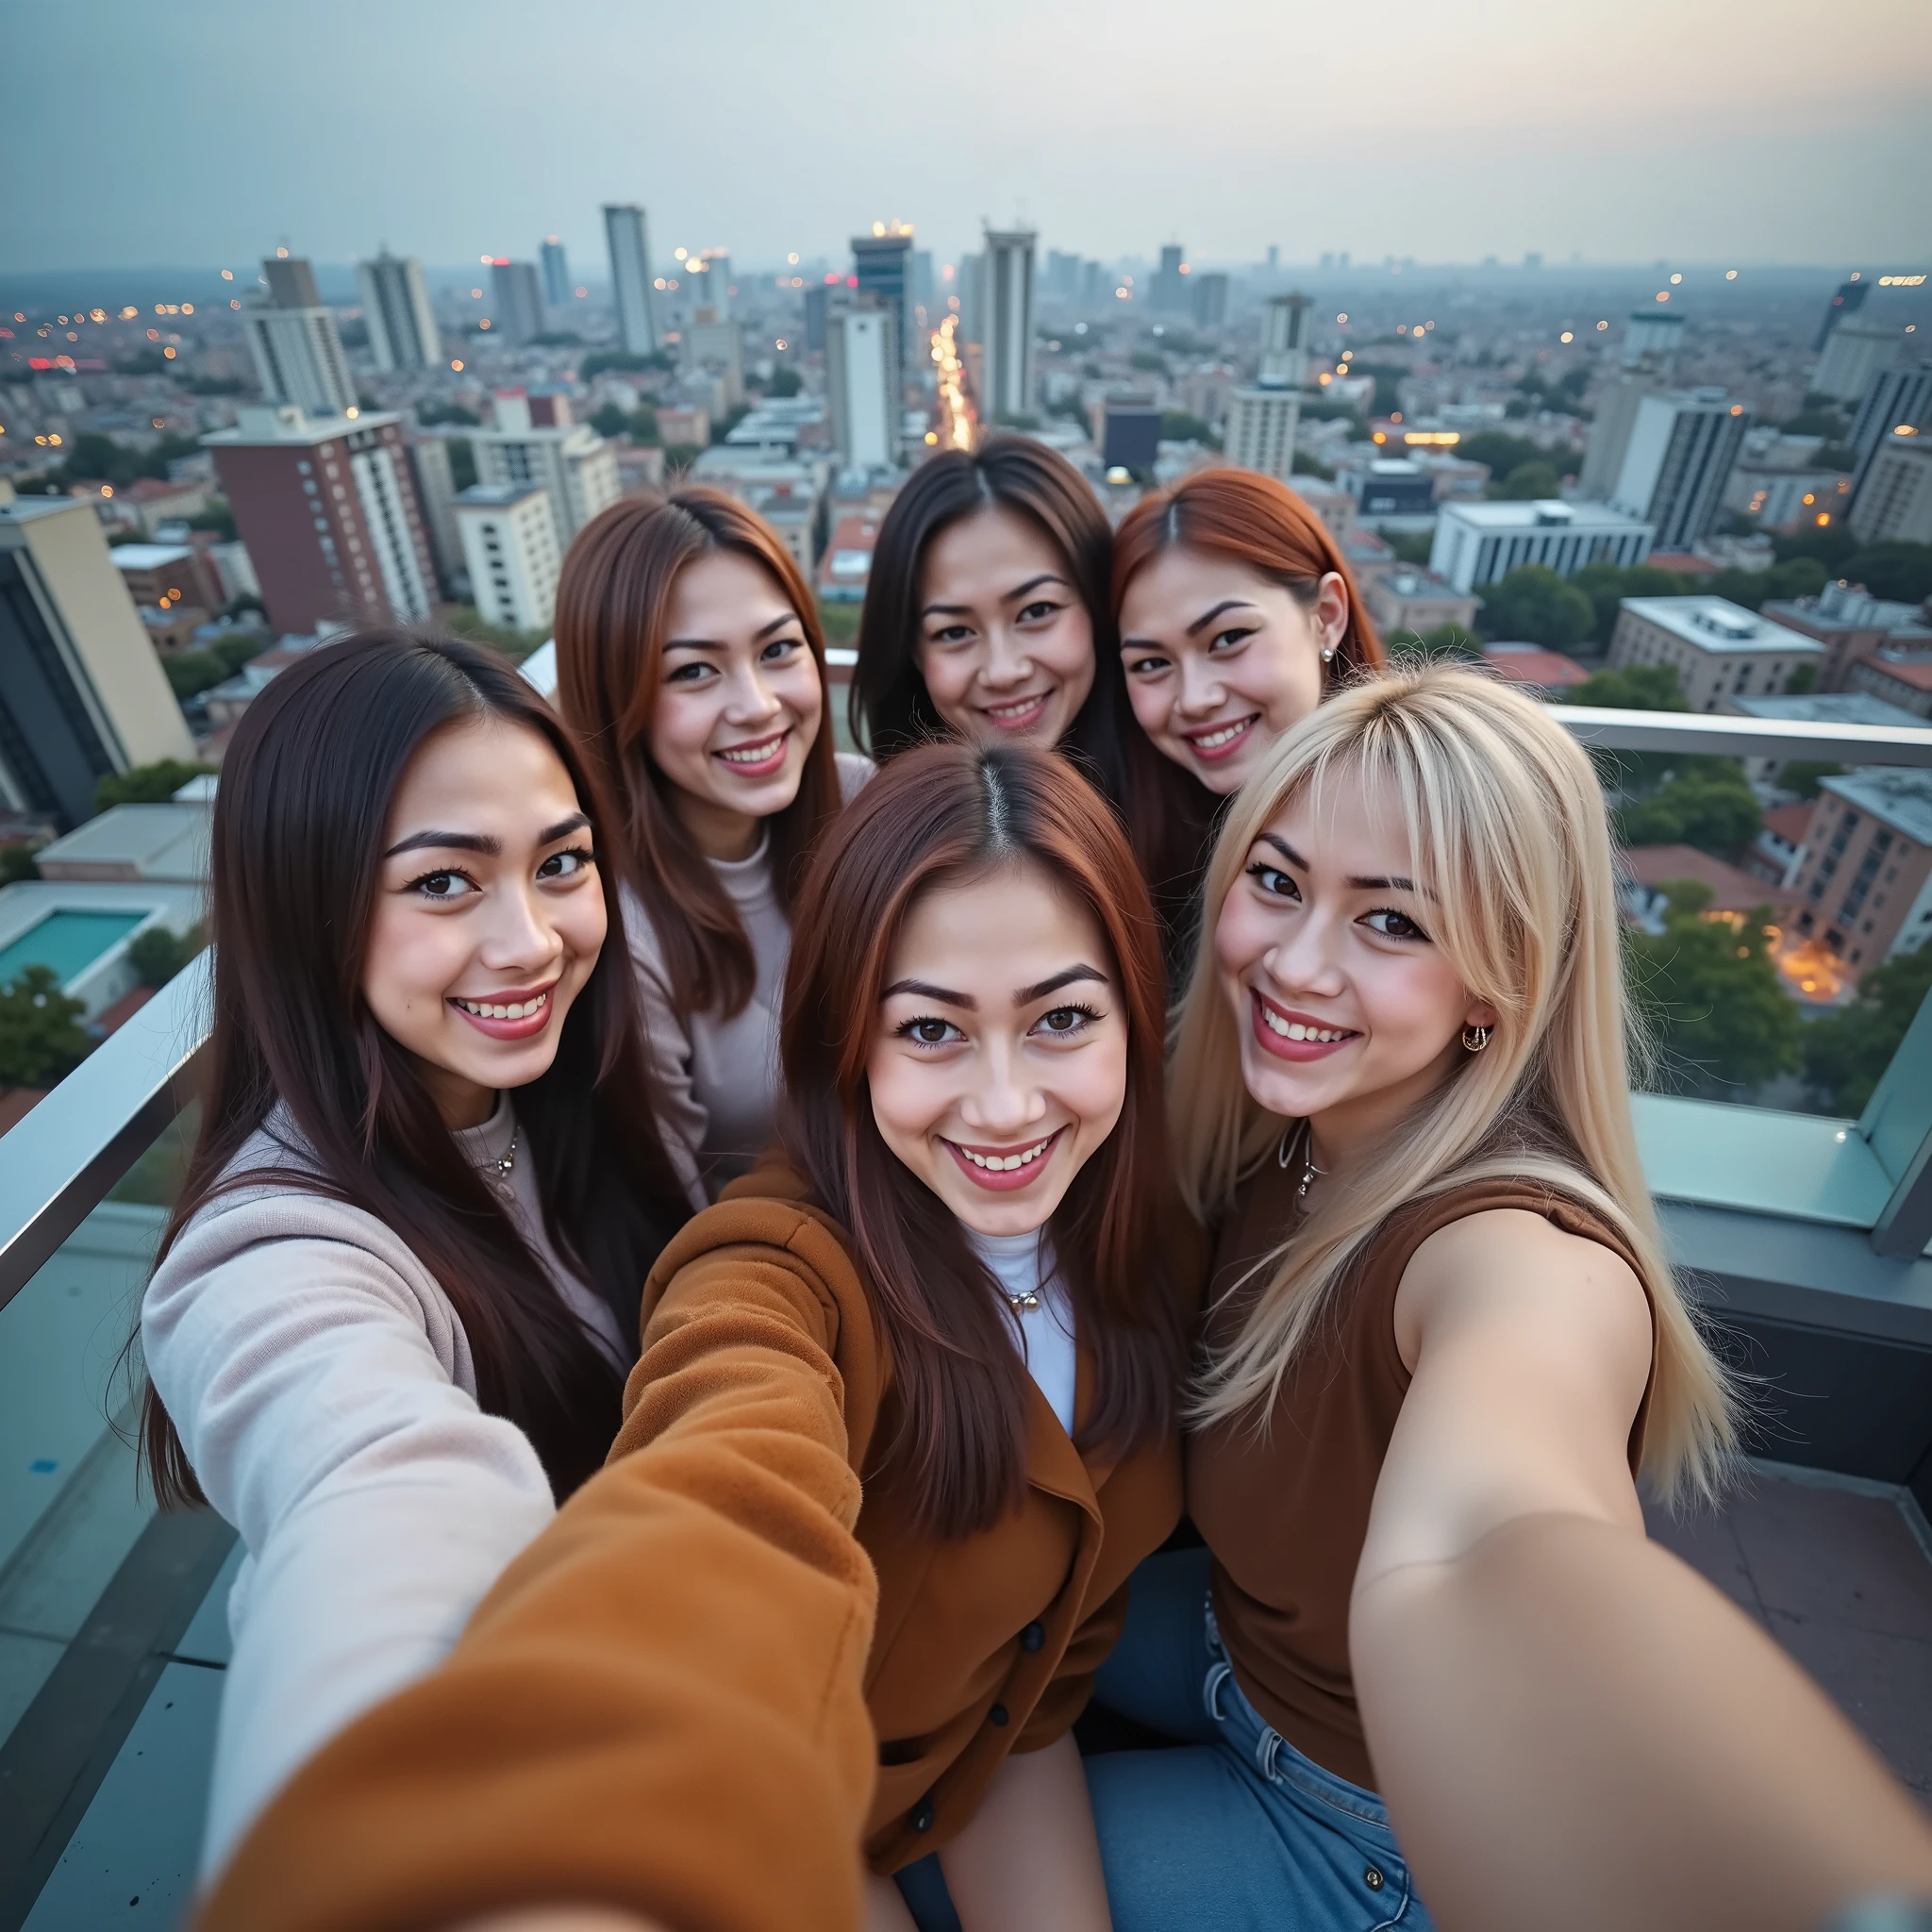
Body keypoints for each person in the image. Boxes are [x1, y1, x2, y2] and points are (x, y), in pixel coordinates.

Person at [189, 741, 1201, 1932]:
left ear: (1137, 1014)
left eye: (1062, 1019)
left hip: (991, 1768)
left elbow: (1028, 1703)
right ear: (845, 1041)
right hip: (795, 1814)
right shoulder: (777, 1275)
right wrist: (510, 1820)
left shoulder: (1154, 1241)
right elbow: (719, 1488)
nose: (1005, 1102)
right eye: (929, 1030)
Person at [1082, 662, 1932, 1932]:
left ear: (1501, 981)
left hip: (1349, 1824)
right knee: (939, 1649)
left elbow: (1493, 1536)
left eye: (1393, 922)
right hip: (1232, 1643)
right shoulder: (1297, 1134)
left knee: (891, 1851)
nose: (1295, 963)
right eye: (1278, 880)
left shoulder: (1517, 1253)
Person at [139, 632, 692, 1880]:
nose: (532, 941)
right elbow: (383, 1492)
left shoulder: (568, 1077)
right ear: (306, 904)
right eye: (446, 884)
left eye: (562, 864)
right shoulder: (273, 1250)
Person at [556, 488, 872, 1199]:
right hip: (775, 1270)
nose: (757, 705)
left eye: (779, 649)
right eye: (694, 670)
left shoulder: (864, 805)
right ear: (616, 696)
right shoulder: (618, 930)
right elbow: (673, 1208)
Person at [1111, 467, 1385, 953]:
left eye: (1229, 638)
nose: (1195, 699)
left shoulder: (1428, 826)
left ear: (1326, 616)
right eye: (1151, 663)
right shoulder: (1136, 853)